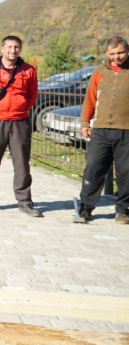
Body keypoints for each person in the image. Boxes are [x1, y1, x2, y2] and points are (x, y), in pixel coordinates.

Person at [0, 35, 40, 217]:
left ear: (20, 49)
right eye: (10, 47)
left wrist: (20, 110)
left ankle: (25, 202)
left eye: (17, 47)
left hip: (20, 122)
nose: (13, 50)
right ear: (2, 48)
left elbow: (32, 95)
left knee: (22, 164)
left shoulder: (28, 70)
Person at [75, 36, 129, 224]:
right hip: (100, 130)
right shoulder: (99, 71)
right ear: (107, 53)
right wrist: (85, 122)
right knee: (93, 168)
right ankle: (86, 207)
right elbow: (90, 99)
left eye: (120, 52)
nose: (117, 56)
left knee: (126, 172)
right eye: (113, 53)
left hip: (126, 131)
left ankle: (122, 210)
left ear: (127, 51)